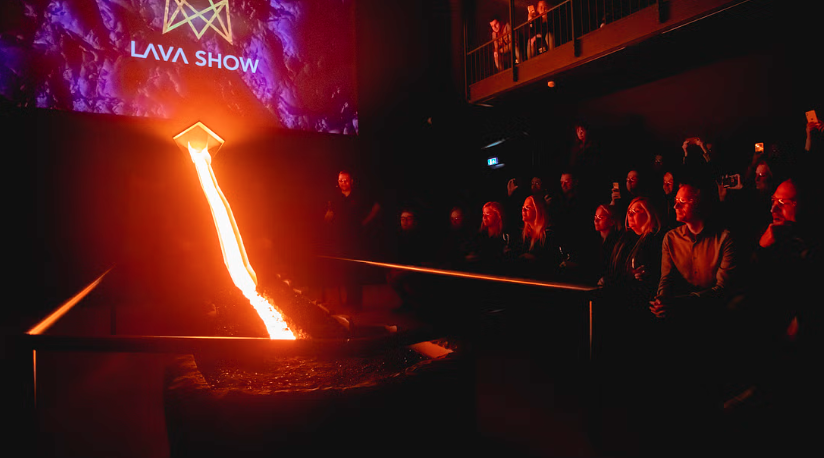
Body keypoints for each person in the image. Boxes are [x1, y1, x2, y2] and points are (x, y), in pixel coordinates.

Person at [322, 170, 381, 310]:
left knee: (356, 271)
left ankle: (357, 303)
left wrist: (364, 223)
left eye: (346, 180)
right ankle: (349, 301)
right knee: (346, 271)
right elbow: (327, 219)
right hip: (341, 240)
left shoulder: (359, 196)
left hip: (357, 240)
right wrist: (327, 218)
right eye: (340, 180)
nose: (343, 183)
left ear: (351, 181)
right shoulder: (335, 198)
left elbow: (376, 207)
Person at [512, 195, 559, 278]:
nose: (523, 210)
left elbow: (553, 261)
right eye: (523, 207)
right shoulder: (523, 234)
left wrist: (535, 258)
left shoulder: (549, 234)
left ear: (537, 210)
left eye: (527, 208)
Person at [465, 201, 512, 274]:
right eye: (483, 214)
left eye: (488, 214)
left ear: (497, 216)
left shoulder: (504, 237)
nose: (484, 217)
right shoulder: (478, 236)